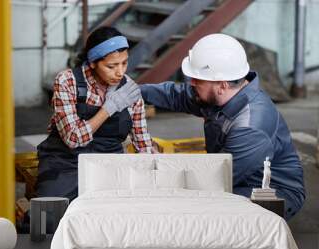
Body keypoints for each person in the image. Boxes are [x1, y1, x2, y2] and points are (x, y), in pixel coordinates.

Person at [140, 33, 305, 220]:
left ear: (222, 85)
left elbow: (215, 180)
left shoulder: (250, 127)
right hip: (235, 174)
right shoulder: (221, 94)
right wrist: (135, 92)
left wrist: (162, 167)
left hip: (273, 191)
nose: (191, 83)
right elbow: (176, 95)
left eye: (198, 79)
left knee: (197, 209)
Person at [36, 26, 154, 202]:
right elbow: (73, 139)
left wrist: (151, 171)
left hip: (109, 165)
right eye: (111, 66)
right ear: (92, 62)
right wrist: (108, 108)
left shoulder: (128, 90)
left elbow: (142, 143)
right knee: (51, 213)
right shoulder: (68, 81)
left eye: (124, 63)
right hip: (66, 163)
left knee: (118, 212)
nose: (120, 72)